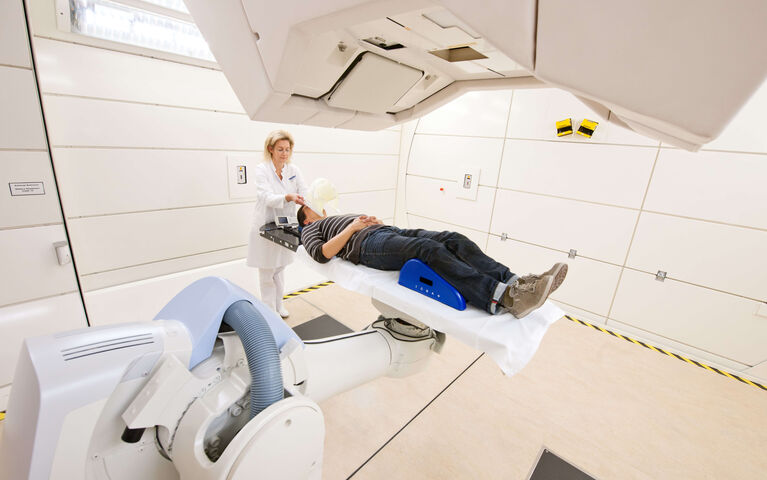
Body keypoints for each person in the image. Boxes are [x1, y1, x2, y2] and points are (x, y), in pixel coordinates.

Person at [296, 207, 568, 318]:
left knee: (453, 239)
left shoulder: (334, 216)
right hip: (366, 246)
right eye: (311, 208)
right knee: (427, 249)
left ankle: (515, 283)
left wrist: (374, 222)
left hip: (386, 231)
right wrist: (353, 228)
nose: (318, 207)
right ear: (306, 219)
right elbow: (321, 254)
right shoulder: (310, 229)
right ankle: (505, 298)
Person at [247, 130, 308, 318]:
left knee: (280, 268)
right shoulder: (262, 169)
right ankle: (269, 310)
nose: (284, 153)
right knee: (267, 271)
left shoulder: (293, 170)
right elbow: (266, 197)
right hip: (265, 224)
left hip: (285, 224)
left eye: (287, 149)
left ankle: (279, 305)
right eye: (280, 149)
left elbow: (304, 190)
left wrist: (310, 200)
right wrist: (287, 197)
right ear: (271, 149)